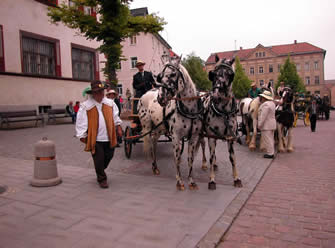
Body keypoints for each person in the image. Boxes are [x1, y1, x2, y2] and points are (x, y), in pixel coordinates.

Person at [76, 81, 123, 188]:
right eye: (97, 92)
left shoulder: (110, 103)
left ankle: (100, 168)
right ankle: (102, 179)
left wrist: (119, 127)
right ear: (93, 93)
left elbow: (115, 117)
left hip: (109, 137)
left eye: (101, 91)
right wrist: (82, 136)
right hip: (95, 139)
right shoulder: (86, 106)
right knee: (98, 159)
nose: (100, 94)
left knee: (109, 156)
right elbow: (81, 122)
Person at [258, 90, 276, 159]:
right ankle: (271, 152)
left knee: (267, 139)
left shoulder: (265, 105)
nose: (261, 98)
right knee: (271, 139)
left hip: (266, 125)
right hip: (272, 124)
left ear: (265, 98)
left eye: (262, 97)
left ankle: (270, 153)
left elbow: (263, 116)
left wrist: (259, 125)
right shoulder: (272, 103)